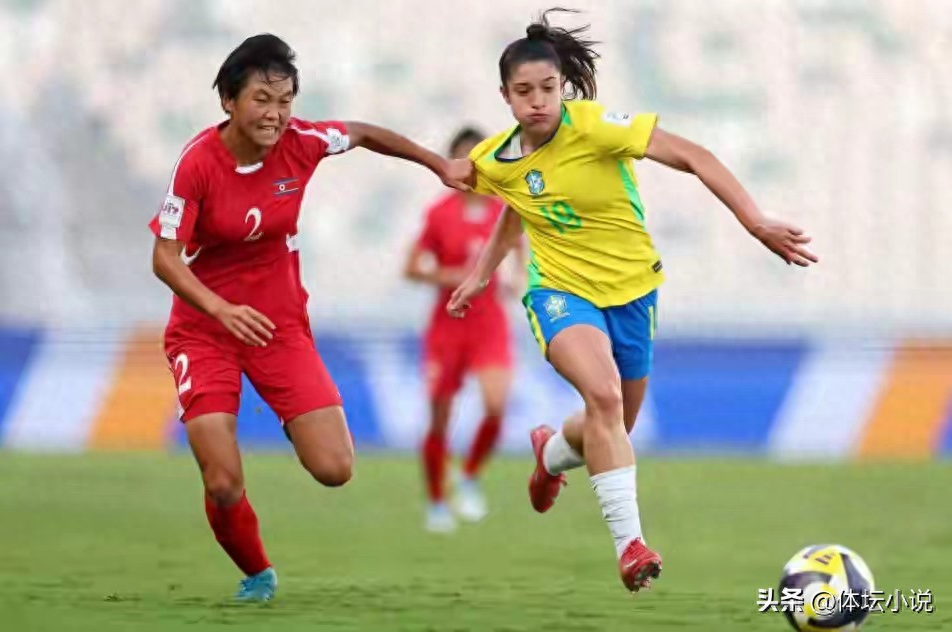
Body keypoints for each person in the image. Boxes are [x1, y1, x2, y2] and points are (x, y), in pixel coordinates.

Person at [447, 9, 818, 594]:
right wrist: (480, 275)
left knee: (613, 421)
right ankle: (631, 547)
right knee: (603, 394)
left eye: (547, 88)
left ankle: (549, 455)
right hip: (560, 293)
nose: (538, 101)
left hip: (633, 291)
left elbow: (694, 155)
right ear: (505, 96)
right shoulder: (495, 157)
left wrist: (755, 222)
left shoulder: (596, 126)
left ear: (562, 87)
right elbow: (515, 209)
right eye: (524, 92)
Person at [149, 33, 469, 602]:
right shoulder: (197, 163)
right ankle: (257, 572)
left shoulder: (304, 141)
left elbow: (367, 134)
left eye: (285, 100)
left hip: (278, 327)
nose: (275, 114)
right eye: (261, 100)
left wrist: (438, 163)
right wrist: (221, 308)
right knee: (222, 481)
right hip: (205, 330)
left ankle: (286, 409)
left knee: (335, 467)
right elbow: (164, 258)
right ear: (228, 101)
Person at [404, 127, 523, 533]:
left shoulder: (502, 208)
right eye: (464, 157)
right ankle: (436, 502)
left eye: (479, 156)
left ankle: (469, 474)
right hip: (447, 326)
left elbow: (519, 246)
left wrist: (517, 279)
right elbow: (412, 267)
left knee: (496, 405)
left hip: (489, 324)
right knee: (439, 419)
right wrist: (452, 275)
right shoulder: (439, 214)